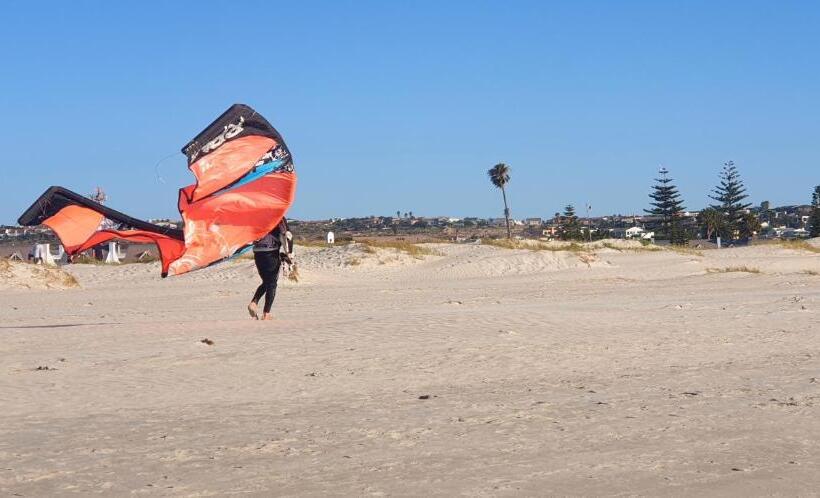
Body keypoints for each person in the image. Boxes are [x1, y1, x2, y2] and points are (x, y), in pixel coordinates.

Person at [248, 218, 293, 320]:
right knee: (272, 284)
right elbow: (288, 235)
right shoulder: (278, 216)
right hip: (271, 252)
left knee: (267, 282)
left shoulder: (258, 217)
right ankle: (266, 313)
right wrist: (289, 254)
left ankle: (254, 303)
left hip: (258, 252)